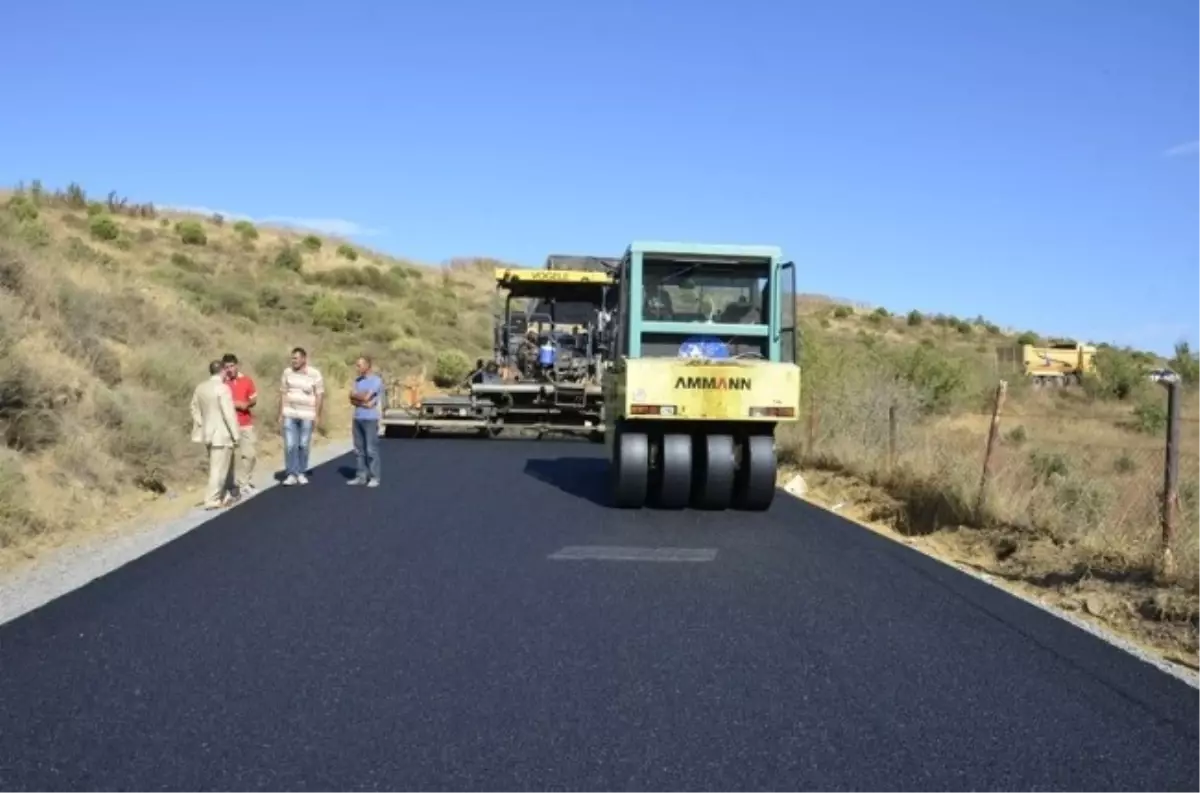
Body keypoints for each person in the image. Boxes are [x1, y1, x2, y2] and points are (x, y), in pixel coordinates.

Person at [190, 359, 240, 509]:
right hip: (222, 434)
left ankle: (222, 495)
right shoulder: (223, 388)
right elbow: (228, 414)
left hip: (208, 433)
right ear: (222, 371)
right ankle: (212, 499)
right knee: (219, 469)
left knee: (216, 466)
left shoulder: (200, 388)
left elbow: (193, 408)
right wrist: (235, 434)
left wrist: (202, 423)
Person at [279, 346, 324, 486]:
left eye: (296, 358)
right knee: (290, 445)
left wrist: (317, 415)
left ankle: (301, 472)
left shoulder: (314, 374)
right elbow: (283, 393)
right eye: (292, 358)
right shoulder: (287, 372)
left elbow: (319, 395)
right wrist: (281, 412)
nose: (293, 361)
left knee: (303, 444)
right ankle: (291, 473)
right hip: (289, 413)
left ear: (304, 359)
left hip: (307, 415)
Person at [221, 352, 258, 497]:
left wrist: (247, 404)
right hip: (227, 424)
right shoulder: (221, 383)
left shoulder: (247, 380)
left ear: (237, 366)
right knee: (228, 457)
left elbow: (254, 399)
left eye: (232, 366)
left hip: (245, 423)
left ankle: (244, 483)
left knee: (250, 454)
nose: (230, 369)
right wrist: (235, 404)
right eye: (227, 367)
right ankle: (229, 486)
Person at [347, 355, 383, 487]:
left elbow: (367, 397)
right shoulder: (357, 381)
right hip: (357, 418)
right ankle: (361, 476)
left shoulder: (376, 381)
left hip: (370, 419)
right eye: (357, 365)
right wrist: (361, 400)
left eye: (360, 365)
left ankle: (374, 477)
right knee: (358, 449)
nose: (357, 368)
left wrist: (359, 398)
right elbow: (351, 398)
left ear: (368, 366)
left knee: (371, 449)